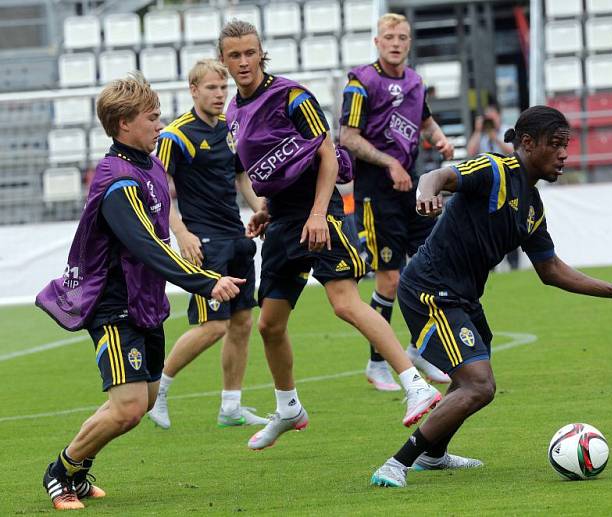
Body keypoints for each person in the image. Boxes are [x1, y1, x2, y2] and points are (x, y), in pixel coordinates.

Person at [370, 106, 612, 488]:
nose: (564, 155)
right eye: (555, 145)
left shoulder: (531, 208)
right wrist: (426, 194)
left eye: (566, 146)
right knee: (479, 384)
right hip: (430, 292)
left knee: (468, 380)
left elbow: (551, 270)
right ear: (527, 143)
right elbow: (437, 176)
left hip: (464, 299)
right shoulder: (494, 170)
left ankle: (433, 454)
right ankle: (395, 464)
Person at [217, 20, 441, 451]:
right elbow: (266, 169)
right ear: (224, 61)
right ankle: (288, 409)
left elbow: (327, 155)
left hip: (319, 212)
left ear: (261, 53)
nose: (243, 62)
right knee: (269, 325)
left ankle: (414, 385)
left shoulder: (291, 96)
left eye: (249, 53)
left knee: (344, 302)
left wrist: (319, 213)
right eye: (234, 55)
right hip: (283, 219)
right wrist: (264, 210)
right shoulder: (233, 114)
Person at [35, 73, 244, 510]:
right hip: (113, 305)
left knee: (144, 400)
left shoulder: (149, 164)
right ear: (125, 123)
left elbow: (160, 235)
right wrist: (206, 283)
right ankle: (60, 471)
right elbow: (147, 245)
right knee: (129, 406)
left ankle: (76, 470)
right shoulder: (117, 180)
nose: (160, 124)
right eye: (153, 118)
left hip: (144, 302)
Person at [147, 59, 266, 430]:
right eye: (212, 88)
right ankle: (157, 392)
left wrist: (260, 208)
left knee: (243, 321)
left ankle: (231, 406)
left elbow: (241, 175)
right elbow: (158, 187)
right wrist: (181, 233)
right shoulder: (175, 136)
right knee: (213, 325)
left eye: (223, 88)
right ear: (193, 90)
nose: (219, 94)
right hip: (204, 242)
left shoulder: (231, 128)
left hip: (236, 236)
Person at [339, 13, 454, 391]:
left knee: (430, 267)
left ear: (409, 42)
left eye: (402, 37)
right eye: (389, 36)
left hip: (413, 186)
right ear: (377, 41)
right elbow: (348, 137)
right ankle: (378, 364)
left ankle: (420, 349)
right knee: (389, 277)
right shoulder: (361, 82)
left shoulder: (416, 81)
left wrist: (440, 138)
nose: (396, 42)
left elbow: (424, 121)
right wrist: (389, 162)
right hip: (376, 190)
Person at [466, 102, 519, 270]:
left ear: (499, 116)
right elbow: (470, 151)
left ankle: (514, 264)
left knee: (510, 225)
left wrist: (494, 135)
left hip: (507, 184)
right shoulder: (480, 136)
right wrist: (477, 130)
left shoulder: (506, 131)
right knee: (487, 227)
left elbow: (512, 151)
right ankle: (490, 265)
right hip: (488, 187)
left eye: (492, 116)